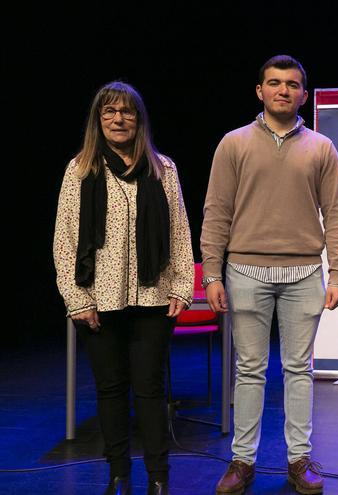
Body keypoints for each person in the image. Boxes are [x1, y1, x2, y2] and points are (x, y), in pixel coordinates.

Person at [202, 54, 338, 495]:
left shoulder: (321, 148)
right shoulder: (233, 143)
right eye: (274, 83)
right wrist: (212, 273)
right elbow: (216, 212)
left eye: (292, 84)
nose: (283, 90)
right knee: (249, 370)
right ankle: (241, 461)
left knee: (298, 368)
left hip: (304, 273)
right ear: (260, 91)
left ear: (303, 94)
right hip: (245, 269)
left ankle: (298, 460)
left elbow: (337, 215)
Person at [53, 81, 194, 495]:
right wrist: (77, 299)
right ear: (99, 120)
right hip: (98, 300)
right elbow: (64, 239)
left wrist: (183, 287)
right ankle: (118, 474)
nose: (119, 119)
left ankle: (158, 477)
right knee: (111, 389)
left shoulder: (163, 169)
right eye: (110, 112)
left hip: (153, 297)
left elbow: (180, 231)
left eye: (127, 112)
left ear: (139, 119)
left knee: (150, 390)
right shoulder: (79, 169)